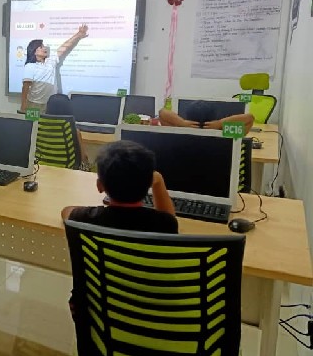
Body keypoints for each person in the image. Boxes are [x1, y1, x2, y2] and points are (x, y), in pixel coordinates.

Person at [61, 140, 177, 322]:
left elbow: (66, 211)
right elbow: (170, 217)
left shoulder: (82, 219)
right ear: (148, 184)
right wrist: (159, 182)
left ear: (100, 186)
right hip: (150, 319)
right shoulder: (163, 224)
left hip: (97, 321)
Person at [20, 24, 89, 113]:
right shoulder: (30, 66)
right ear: (34, 51)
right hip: (34, 104)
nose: (44, 48)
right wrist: (23, 105)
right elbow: (25, 87)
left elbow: (65, 47)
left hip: (50, 104)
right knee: (32, 122)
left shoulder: (50, 61)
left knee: (49, 122)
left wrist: (79, 34)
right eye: (41, 47)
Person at [159, 100, 255, 135]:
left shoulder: (178, 132)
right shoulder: (225, 133)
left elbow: (162, 113)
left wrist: (182, 123)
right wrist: (220, 124)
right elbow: (249, 118)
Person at [45, 94, 89, 166]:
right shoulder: (74, 132)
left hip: (43, 169)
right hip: (66, 171)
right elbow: (83, 158)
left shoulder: (38, 129)